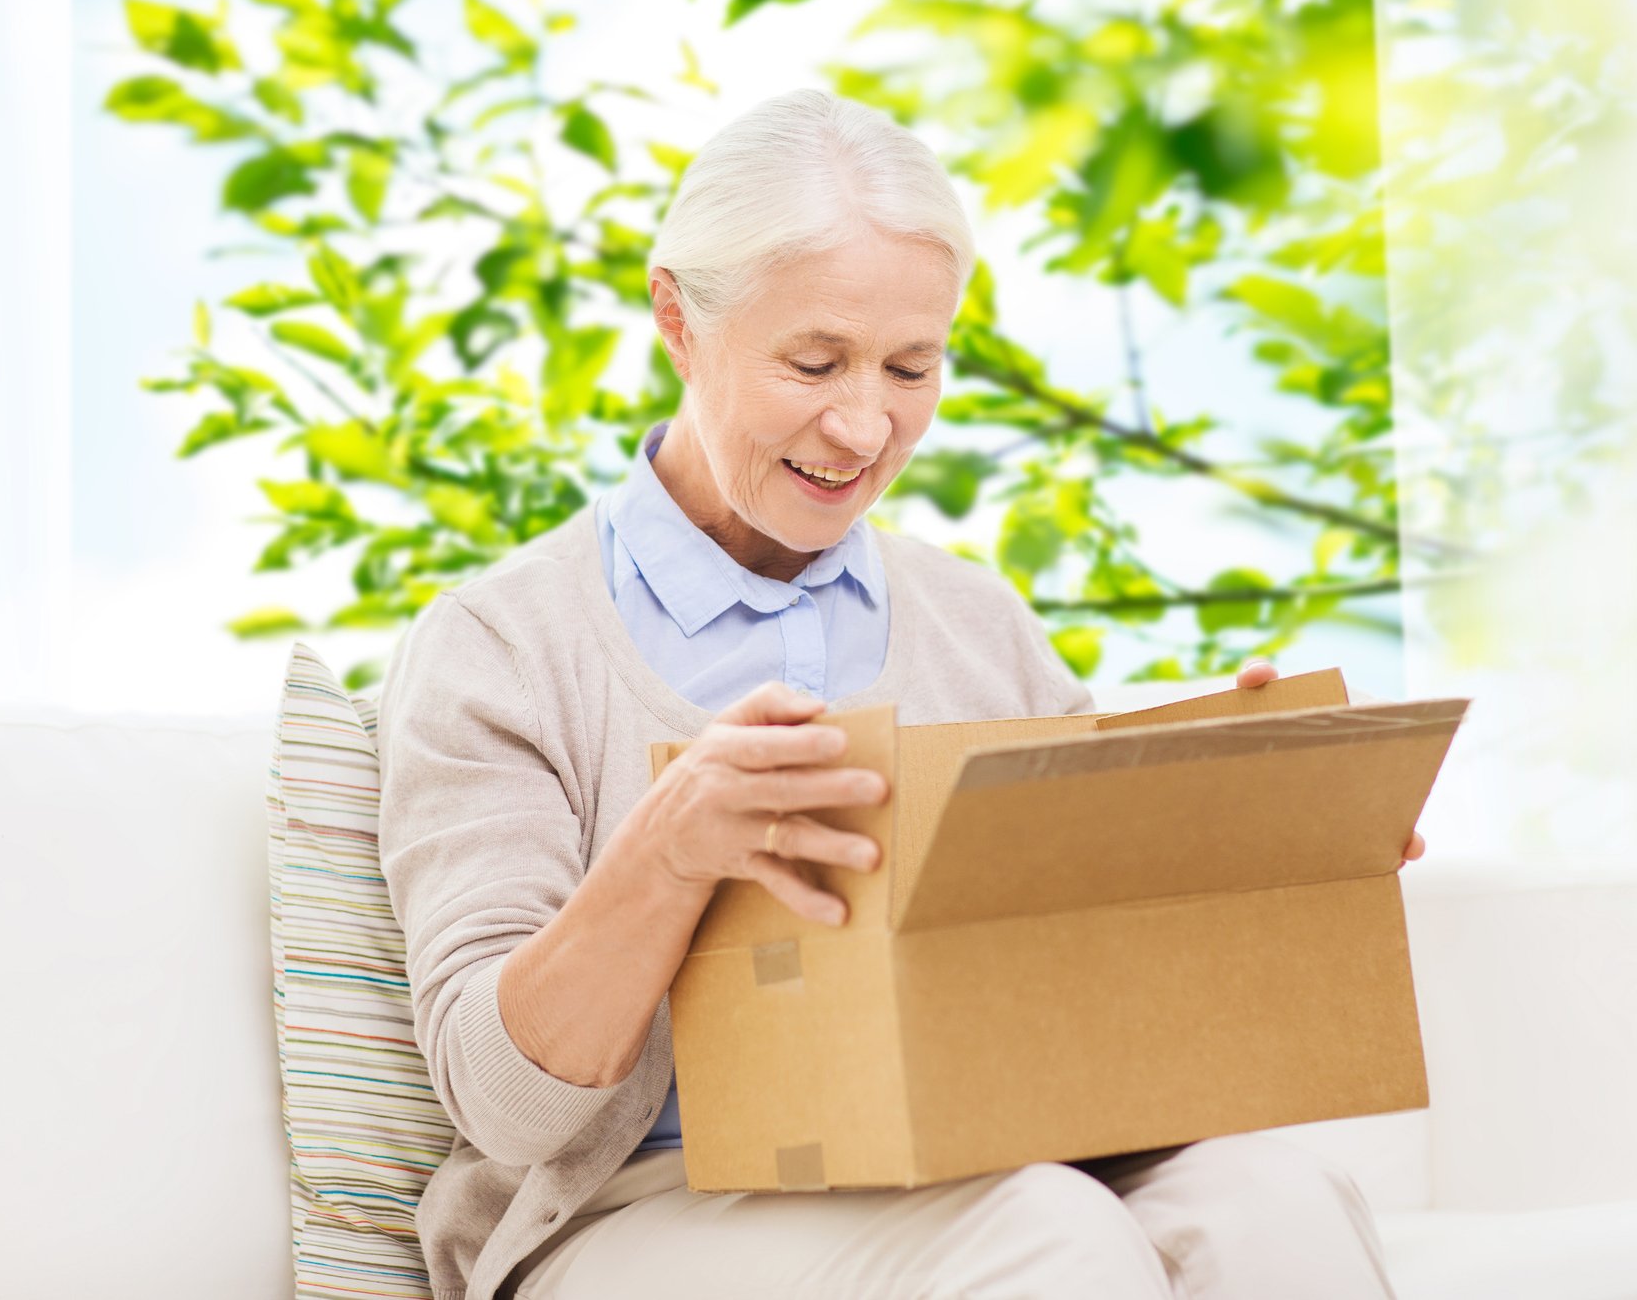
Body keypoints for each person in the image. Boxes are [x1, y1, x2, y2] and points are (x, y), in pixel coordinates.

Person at [375, 87, 1426, 1300]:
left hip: (978, 1159)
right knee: (1039, 1228)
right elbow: (503, 1106)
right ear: (676, 316)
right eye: (811, 360)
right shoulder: (500, 643)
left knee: (1272, 1201)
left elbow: (1099, 1002)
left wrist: (1268, 848)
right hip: (638, 1209)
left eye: (910, 366)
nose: (863, 422)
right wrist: (667, 852)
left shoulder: (981, 627)